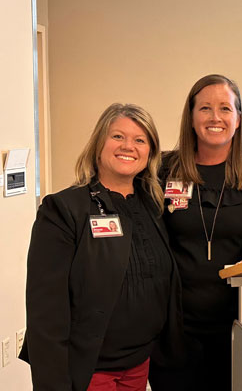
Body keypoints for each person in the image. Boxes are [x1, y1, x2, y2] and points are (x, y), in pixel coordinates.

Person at [20, 103, 183, 391]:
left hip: (139, 364)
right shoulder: (64, 209)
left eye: (140, 140)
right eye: (117, 136)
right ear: (98, 145)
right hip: (88, 370)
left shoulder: (154, 207)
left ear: (150, 153)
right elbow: (45, 313)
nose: (128, 146)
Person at [148, 74, 242, 391]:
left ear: (238, 118)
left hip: (239, 322)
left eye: (225, 109)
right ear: (191, 117)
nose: (215, 118)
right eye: (205, 108)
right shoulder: (162, 169)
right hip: (175, 326)